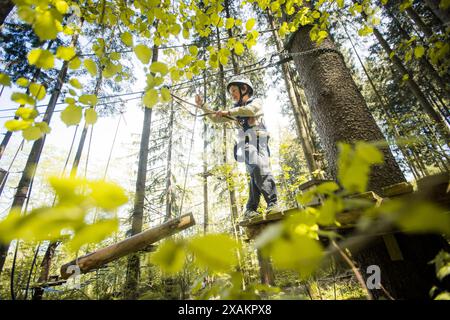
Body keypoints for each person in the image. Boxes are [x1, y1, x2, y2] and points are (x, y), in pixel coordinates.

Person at [195, 76, 280, 220]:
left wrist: (228, 112)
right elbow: (216, 118)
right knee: (257, 167)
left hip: (262, 141)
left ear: (244, 89)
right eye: (230, 92)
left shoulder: (255, 102)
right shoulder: (235, 110)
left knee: (258, 171)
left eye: (234, 90)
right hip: (247, 142)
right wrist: (203, 105)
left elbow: (250, 111)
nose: (232, 94)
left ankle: (250, 208)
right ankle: (272, 203)